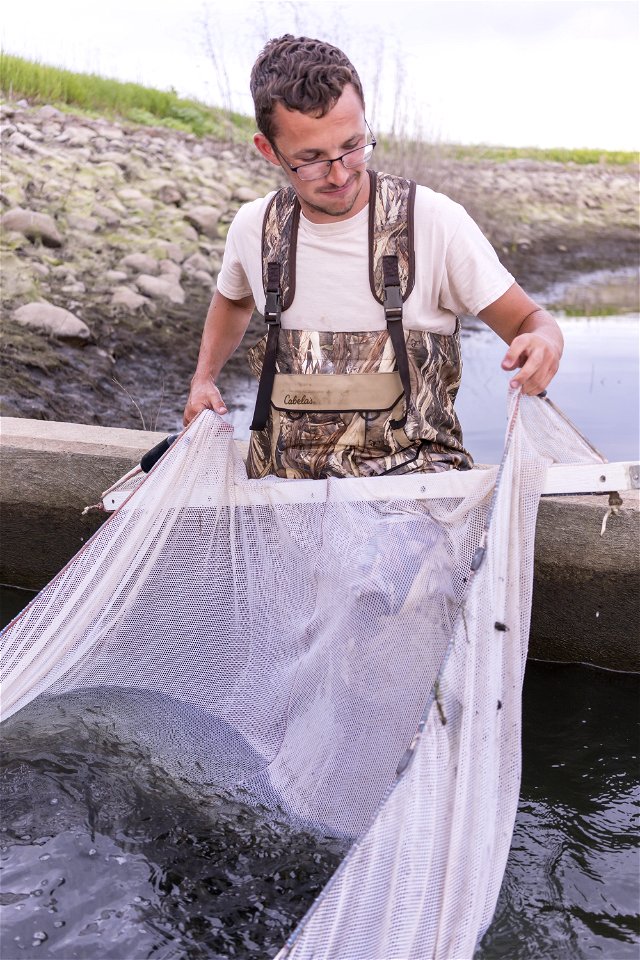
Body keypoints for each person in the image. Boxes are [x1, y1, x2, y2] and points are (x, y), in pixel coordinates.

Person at [183, 34, 563, 479]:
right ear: (268, 150)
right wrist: (204, 378)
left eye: (352, 145)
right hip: (284, 496)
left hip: (413, 503)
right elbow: (234, 299)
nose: (340, 173)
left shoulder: (433, 221)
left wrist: (545, 344)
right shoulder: (255, 227)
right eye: (312, 159)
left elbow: (530, 321)